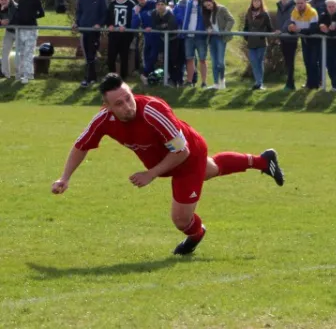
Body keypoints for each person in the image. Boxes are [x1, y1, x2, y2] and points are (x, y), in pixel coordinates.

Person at [51, 73, 285, 255]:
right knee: (212, 169)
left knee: (181, 219)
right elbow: (81, 145)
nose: (127, 106)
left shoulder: (153, 111)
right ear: (107, 106)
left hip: (188, 154)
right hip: (171, 159)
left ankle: (197, 235)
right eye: (119, 104)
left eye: (128, 99)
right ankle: (263, 161)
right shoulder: (104, 120)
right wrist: (65, 177)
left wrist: (151, 174)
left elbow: (181, 151)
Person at [74, 0, 107, 88]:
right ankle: (92, 78)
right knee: (88, 56)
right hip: (84, 31)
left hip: (94, 32)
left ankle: (87, 79)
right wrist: (76, 23)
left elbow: (104, 15)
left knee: (91, 55)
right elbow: (78, 13)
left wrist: (99, 24)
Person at [11, 0, 44, 84]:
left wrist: (32, 16)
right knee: (20, 53)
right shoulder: (20, 0)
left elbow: (41, 13)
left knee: (28, 53)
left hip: (31, 29)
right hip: (20, 30)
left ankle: (28, 74)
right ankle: (20, 73)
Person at [285, 0, 320, 90]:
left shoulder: (312, 12)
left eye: (301, 3)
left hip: (314, 40)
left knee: (313, 62)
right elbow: (291, 25)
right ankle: (309, 83)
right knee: (307, 62)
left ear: (306, 3)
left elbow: (313, 29)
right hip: (304, 40)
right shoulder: (294, 12)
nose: (299, 5)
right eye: (297, 3)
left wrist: (299, 30)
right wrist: (290, 28)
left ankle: (316, 84)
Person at [202, 0, 235, 89]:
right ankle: (216, 83)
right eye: (206, 6)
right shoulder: (207, 13)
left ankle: (222, 80)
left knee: (220, 61)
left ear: (212, 1)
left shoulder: (221, 9)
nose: (208, 7)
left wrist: (225, 30)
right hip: (212, 38)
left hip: (221, 38)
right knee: (214, 62)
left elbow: (231, 20)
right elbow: (208, 25)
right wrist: (208, 29)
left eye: (209, 4)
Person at [106, 0, 136, 80]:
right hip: (113, 35)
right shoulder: (112, 4)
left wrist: (126, 27)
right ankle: (112, 78)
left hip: (125, 36)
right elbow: (108, 17)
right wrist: (109, 25)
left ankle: (123, 78)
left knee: (124, 57)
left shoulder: (131, 4)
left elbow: (133, 19)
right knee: (111, 57)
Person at [243, 0, 273, 90]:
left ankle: (259, 83)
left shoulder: (265, 14)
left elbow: (269, 28)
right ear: (252, 2)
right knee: (253, 61)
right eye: (255, 0)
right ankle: (258, 82)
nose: (256, 2)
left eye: (258, 1)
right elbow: (246, 27)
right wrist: (246, 37)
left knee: (259, 62)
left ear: (261, 2)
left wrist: (263, 35)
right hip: (251, 42)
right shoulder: (248, 13)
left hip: (261, 42)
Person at [182, 0, 208, 88]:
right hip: (189, 35)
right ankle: (189, 81)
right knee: (189, 58)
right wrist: (184, 31)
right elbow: (186, 18)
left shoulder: (206, 2)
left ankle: (204, 82)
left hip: (200, 36)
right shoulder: (189, 2)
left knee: (202, 59)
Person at [131, 0, 157, 85]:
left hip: (158, 35)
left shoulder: (154, 3)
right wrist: (136, 14)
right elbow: (134, 26)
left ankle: (145, 74)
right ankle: (150, 76)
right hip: (146, 36)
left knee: (154, 55)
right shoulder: (136, 8)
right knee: (146, 56)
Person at [151, 0, 179, 81]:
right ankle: (165, 77)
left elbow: (171, 28)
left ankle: (174, 80)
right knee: (162, 58)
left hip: (173, 40)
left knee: (173, 60)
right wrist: (163, 26)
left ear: (165, 5)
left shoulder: (170, 13)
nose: (160, 6)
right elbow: (154, 26)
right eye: (158, 4)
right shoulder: (154, 13)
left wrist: (161, 27)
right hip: (162, 39)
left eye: (162, 4)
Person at [275, 0, 297, 91]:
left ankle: (290, 83)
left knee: (290, 61)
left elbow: (290, 20)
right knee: (287, 61)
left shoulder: (293, 6)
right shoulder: (279, 6)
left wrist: (281, 31)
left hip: (290, 36)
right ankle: (290, 83)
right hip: (282, 37)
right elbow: (279, 20)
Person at [173, 0, 193, 87]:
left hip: (190, 36)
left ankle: (192, 80)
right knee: (179, 59)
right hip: (180, 36)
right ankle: (179, 80)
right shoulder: (178, 4)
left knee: (190, 58)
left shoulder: (194, 4)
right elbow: (174, 17)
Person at [0, 0, 17, 79]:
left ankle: (20, 74)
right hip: (9, 32)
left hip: (19, 32)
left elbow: (10, 19)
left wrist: (5, 21)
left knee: (20, 53)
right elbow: (3, 22)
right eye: (1, 0)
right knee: (4, 52)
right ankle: (6, 74)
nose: (3, 1)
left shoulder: (15, 6)